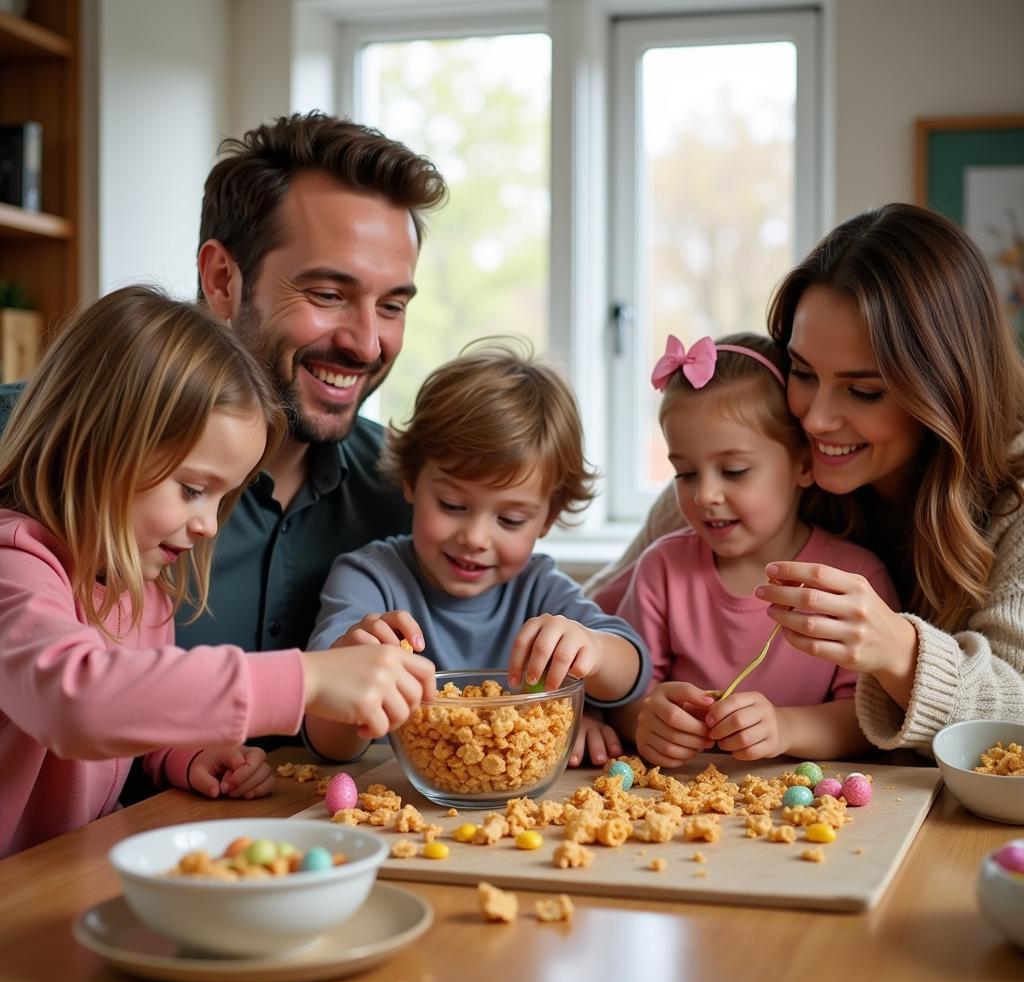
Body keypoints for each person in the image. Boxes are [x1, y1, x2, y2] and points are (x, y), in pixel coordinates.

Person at [0, 112, 449, 755]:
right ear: (221, 279)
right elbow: (76, 695)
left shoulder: (413, 492)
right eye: (327, 293)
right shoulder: (38, 460)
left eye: (392, 306)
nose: (367, 342)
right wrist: (307, 678)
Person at [0, 286, 434, 857]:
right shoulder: (15, 565)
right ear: (99, 445)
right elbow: (77, 701)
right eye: (192, 489)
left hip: (71, 873)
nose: (208, 524)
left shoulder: (144, 590)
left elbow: (132, 709)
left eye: (221, 498)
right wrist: (307, 679)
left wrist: (183, 753)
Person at [591, 203, 1024, 754]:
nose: (814, 419)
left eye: (863, 390)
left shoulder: (1014, 496)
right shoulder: (734, 476)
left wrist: (899, 652)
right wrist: (596, 707)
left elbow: (1016, 713)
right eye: (802, 372)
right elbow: (592, 623)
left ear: (945, 390)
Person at [305, 339, 652, 766]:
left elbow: (632, 670)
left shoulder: (539, 589)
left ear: (547, 518)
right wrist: (345, 672)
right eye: (452, 506)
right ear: (411, 481)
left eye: (510, 520)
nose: (475, 538)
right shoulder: (368, 579)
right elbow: (325, 742)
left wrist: (594, 651)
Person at [607, 333, 897, 767]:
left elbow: (870, 720)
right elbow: (624, 696)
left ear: (802, 464)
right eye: (684, 473)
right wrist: (646, 719)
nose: (705, 494)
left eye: (734, 471)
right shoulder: (661, 569)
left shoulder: (853, 580)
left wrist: (785, 728)